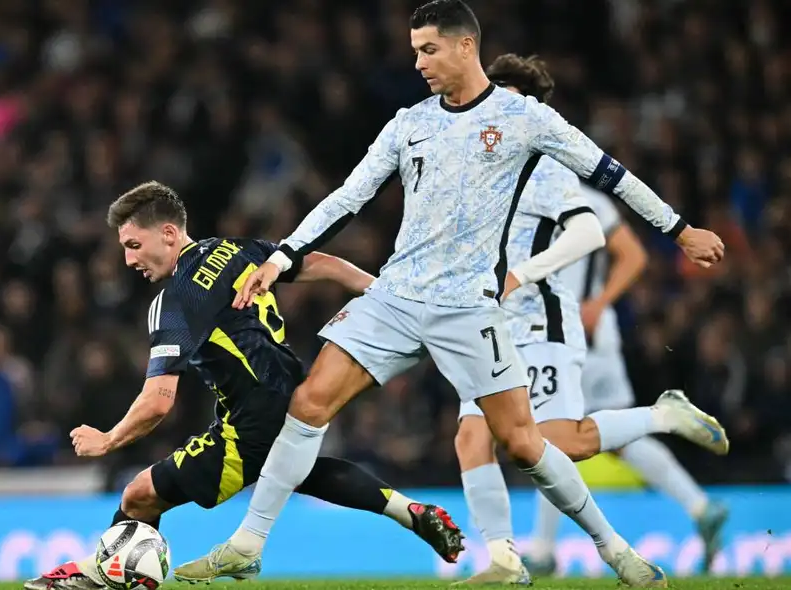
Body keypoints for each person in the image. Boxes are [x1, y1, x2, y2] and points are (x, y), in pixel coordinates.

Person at [173, 1, 725, 587]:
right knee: (309, 404)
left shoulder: (525, 119)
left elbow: (608, 172)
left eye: (428, 49)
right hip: (396, 297)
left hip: (469, 309)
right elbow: (348, 196)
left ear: (466, 46)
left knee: (524, 444)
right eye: (414, 51)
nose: (418, 62)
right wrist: (283, 255)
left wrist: (680, 229)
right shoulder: (410, 123)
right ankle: (248, 544)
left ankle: (618, 553)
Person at [24, 181, 465, 590]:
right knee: (300, 471)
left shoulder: (175, 301)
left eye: (134, 245)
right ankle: (412, 513)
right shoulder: (232, 250)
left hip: (249, 423)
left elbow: (159, 402)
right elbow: (324, 264)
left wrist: (108, 440)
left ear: (169, 234)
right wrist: (384, 294)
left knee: (139, 496)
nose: (128, 260)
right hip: (296, 395)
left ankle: (104, 575)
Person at [452, 54, 729, 585]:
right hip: (490, 325)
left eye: (505, 98)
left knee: (560, 445)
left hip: (545, 324)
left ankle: (661, 418)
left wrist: (557, 287)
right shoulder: (476, 167)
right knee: (472, 438)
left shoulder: (554, 171)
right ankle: (507, 561)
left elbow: (608, 237)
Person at [521, 188, 730, 577]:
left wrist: (595, 304)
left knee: (547, 438)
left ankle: (546, 550)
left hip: (561, 337)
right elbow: (634, 255)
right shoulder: (594, 202)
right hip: (598, 336)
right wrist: (601, 304)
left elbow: (633, 256)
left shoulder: (533, 200)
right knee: (618, 440)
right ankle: (700, 505)